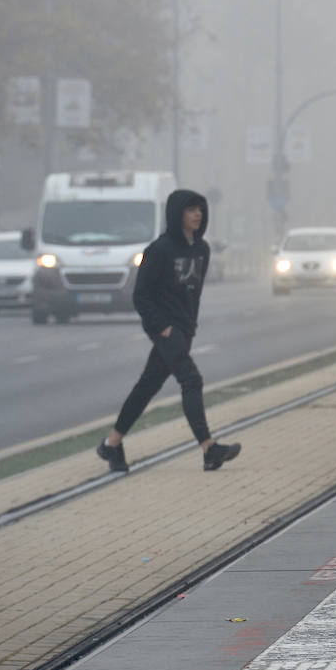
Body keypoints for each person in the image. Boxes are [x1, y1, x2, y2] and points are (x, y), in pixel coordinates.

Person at [96, 190, 241, 474]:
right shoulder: (159, 250)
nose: (198, 214)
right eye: (191, 210)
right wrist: (162, 328)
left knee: (147, 386)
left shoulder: (202, 250)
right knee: (191, 380)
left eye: (200, 209)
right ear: (177, 214)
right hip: (165, 329)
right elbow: (141, 296)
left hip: (184, 330)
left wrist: (190, 327)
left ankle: (111, 444)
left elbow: (193, 295)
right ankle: (210, 449)